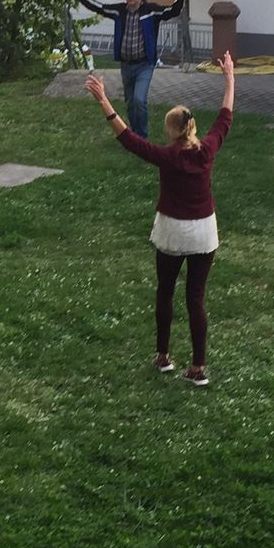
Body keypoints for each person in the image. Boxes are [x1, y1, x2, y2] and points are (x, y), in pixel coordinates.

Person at [85, 50, 237, 387]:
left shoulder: (167, 157)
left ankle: (164, 356)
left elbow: (129, 139)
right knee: (196, 298)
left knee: (165, 291)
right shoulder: (207, 150)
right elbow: (225, 117)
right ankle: (198, 367)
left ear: (173, 131)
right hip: (204, 232)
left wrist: (104, 101)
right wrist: (229, 77)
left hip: (172, 231)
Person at [62, 0, 191, 138]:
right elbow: (97, 7)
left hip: (144, 64)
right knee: (130, 103)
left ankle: (142, 137)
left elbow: (173, 11)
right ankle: (133, 135)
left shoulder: (151, 11)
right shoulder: (119, 11)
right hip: (126, 65)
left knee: (139, 100)